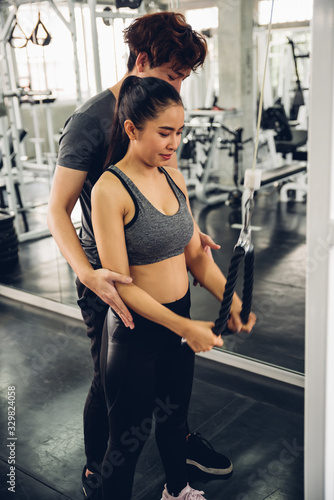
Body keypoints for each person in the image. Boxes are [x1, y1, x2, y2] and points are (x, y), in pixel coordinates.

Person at [47, 11, 238, 500]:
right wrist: (88, 274)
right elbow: (57, 211)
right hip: (109, 277)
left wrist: (184, 232)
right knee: (110, 382)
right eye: (171, 76)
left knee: (171, 374)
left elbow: (162, 190)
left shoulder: (162, 125)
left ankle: (180, 451)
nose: (177, 88)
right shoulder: (91, 123)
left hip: (160, 269)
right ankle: (98, 473)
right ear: (142, 60)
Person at [92, 75, 256, 500]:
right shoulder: (110, 190)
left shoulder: (172, 176)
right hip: (135, 333)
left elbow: (196, 255)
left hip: (177, 317)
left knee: (174, 419)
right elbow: (120, 285)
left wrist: (231, 299)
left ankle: (177, 489)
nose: (173, 142)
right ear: (131, 129)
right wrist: (185, 327)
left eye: (178, 132)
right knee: (127, 440)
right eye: (164, 132)